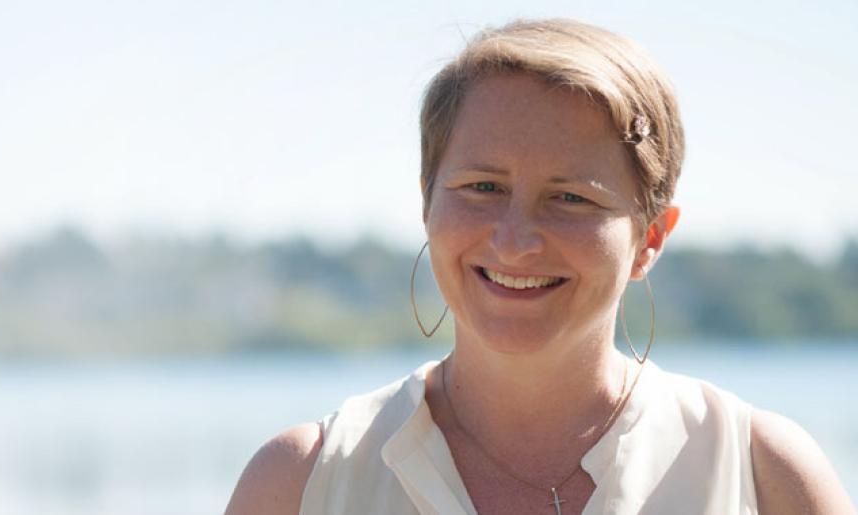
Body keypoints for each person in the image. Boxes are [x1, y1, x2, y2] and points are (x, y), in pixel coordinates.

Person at [225, 18, 855, 515]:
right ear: (426, 200)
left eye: (571, 197)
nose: (515, 239)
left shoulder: (760, 474)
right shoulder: (300, 485)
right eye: (481, 187)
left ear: (651, 238)